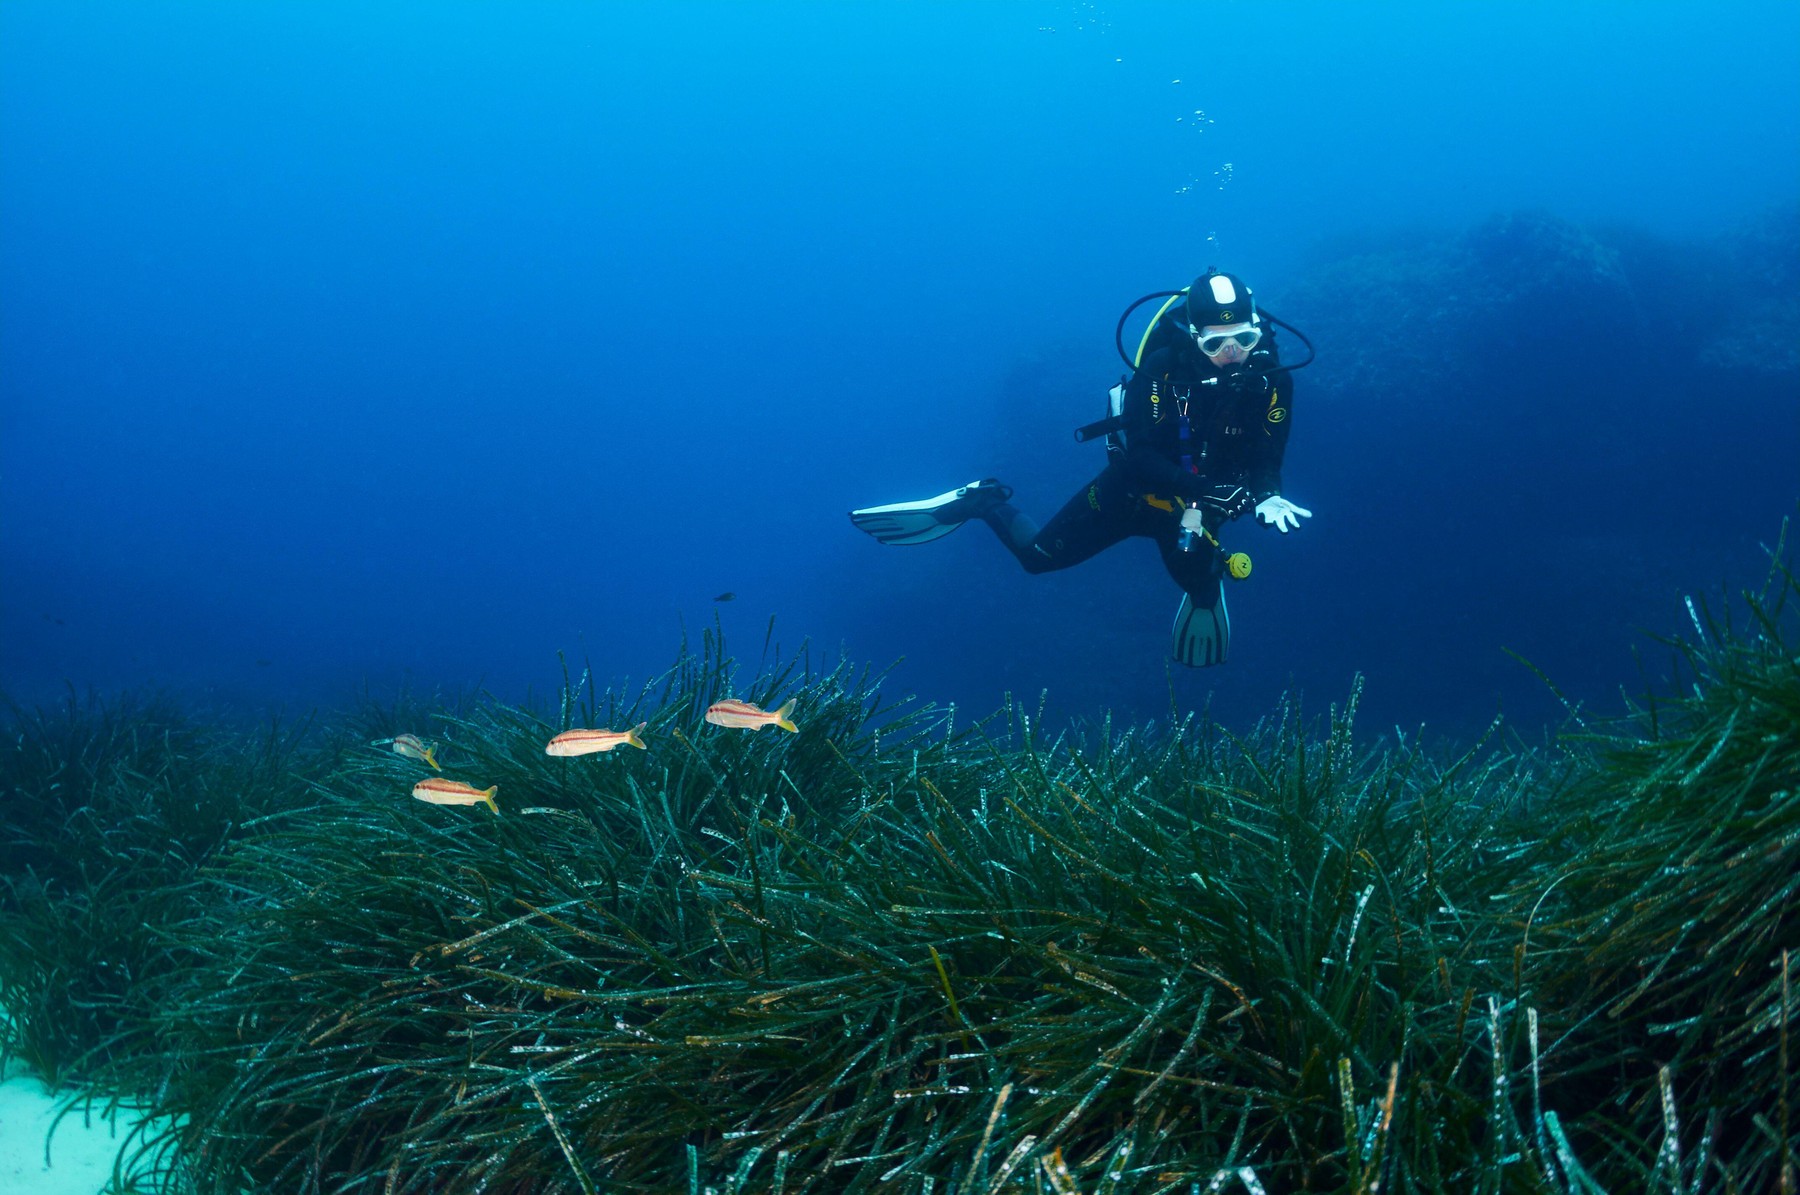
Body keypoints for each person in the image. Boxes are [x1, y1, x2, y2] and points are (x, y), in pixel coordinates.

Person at [849, 269, 1312, 667]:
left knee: (1201, 581)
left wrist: (1268, 492)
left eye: (1244, 340)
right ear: (1193, 336)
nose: (1232, 353)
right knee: (1036, 560)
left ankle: (1204, 589)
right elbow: (1140, 458)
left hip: (1191, 510)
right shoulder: (1161, 369)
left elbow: (1271, 452)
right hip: (1129, 494)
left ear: (1257, 330)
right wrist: (1203, 487)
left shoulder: (1273, 381)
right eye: (1216, 342)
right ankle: (982, 500)